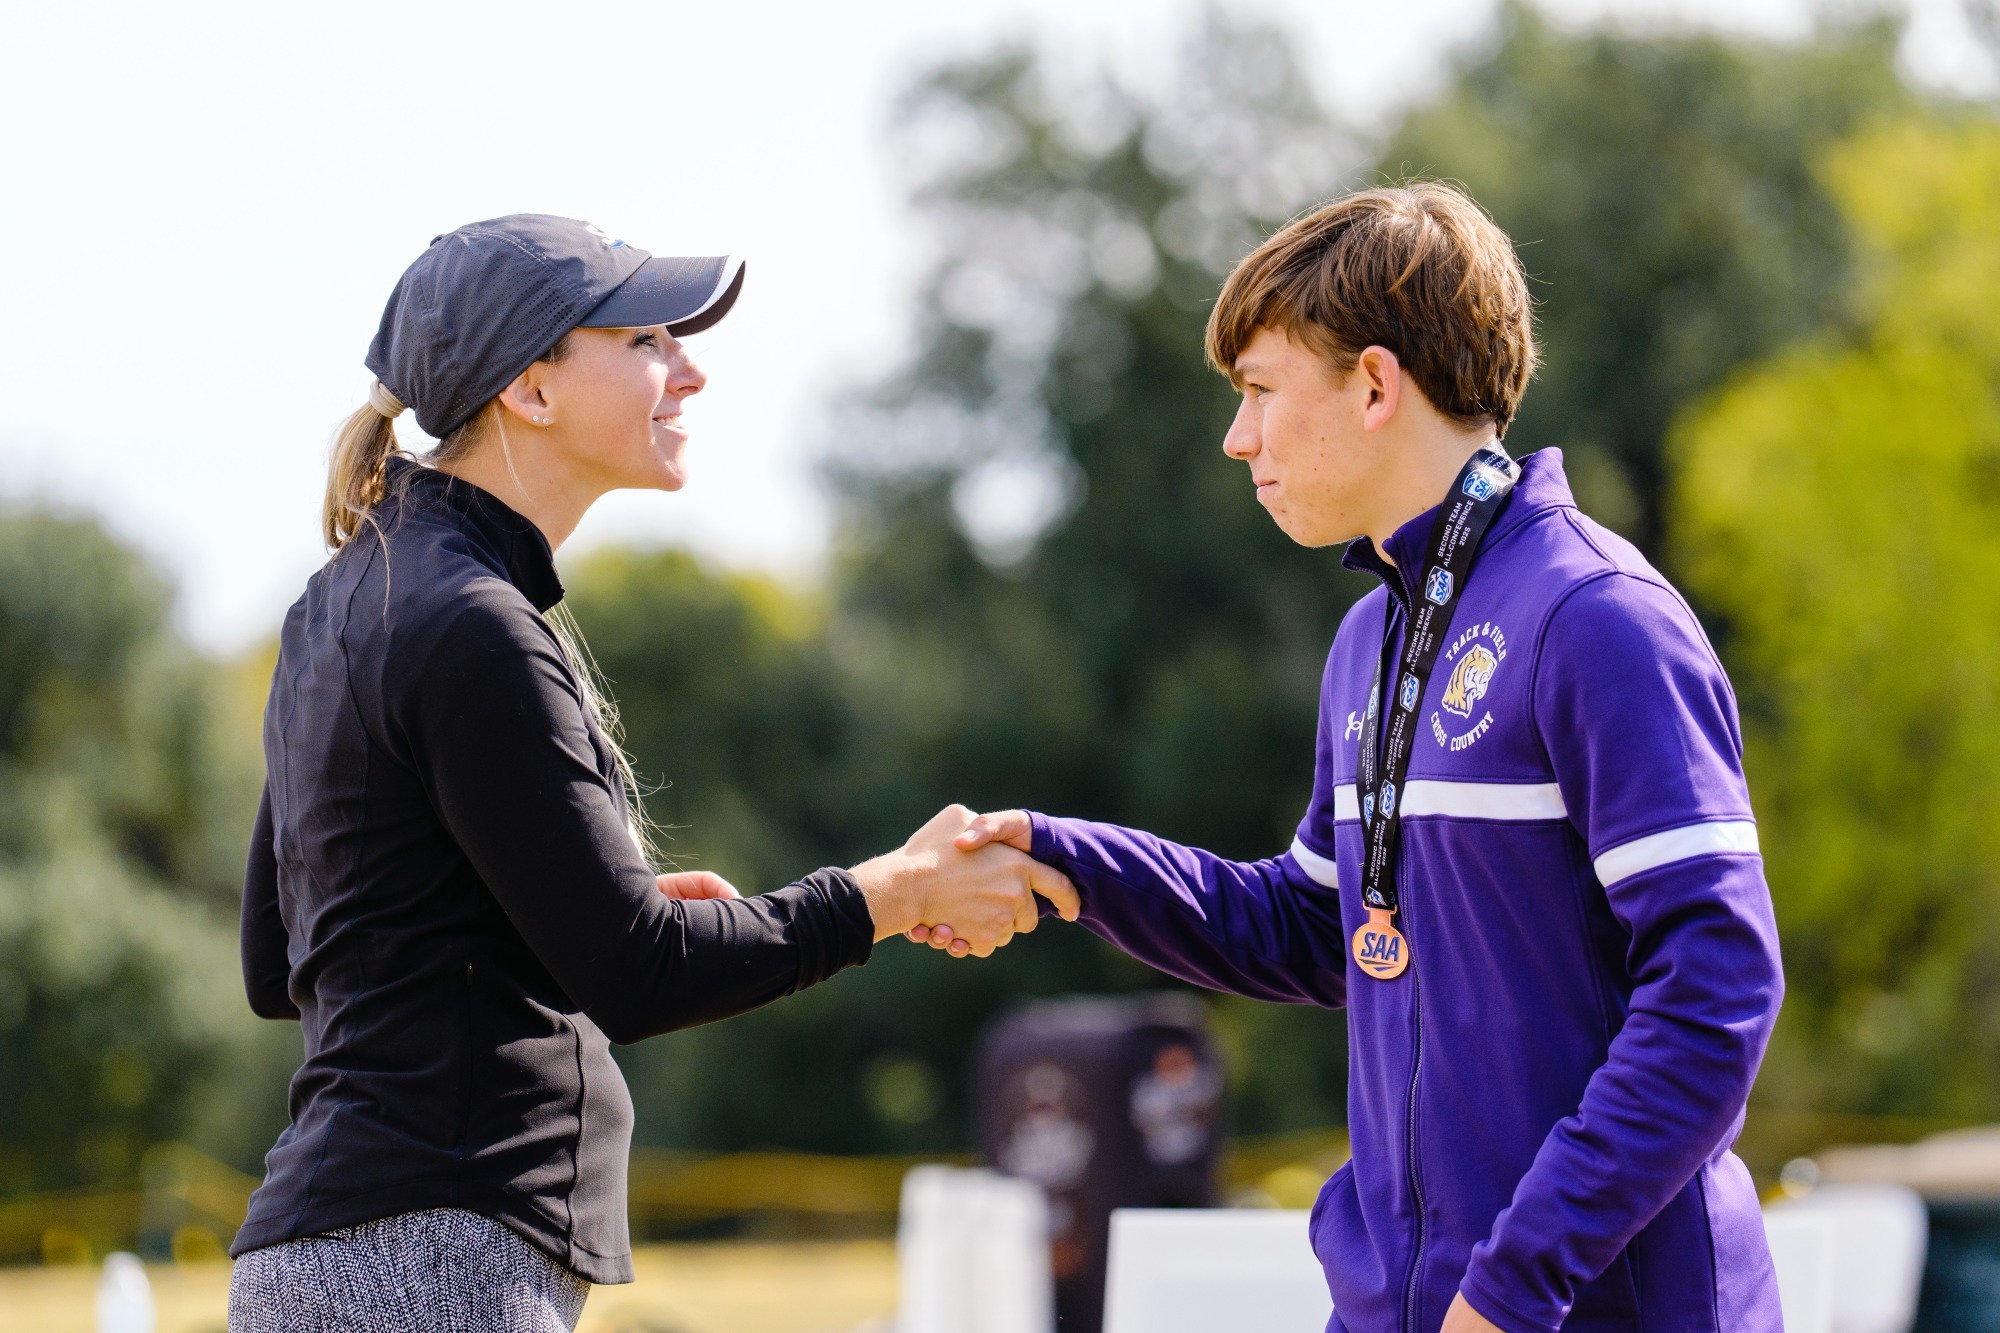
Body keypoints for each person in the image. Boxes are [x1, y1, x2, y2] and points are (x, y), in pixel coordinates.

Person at [932, 184, 1785, 1333]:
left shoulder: (1597, 616)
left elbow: (1715, 993)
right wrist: (1062, 859)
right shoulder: (1368, 640)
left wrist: (1511, 1285)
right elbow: (1312, 923)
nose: (1237, 437)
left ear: (1375, 386)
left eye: (1258, 391)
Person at [229, 214, 1078, 1333]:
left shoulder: (340, 602)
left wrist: (551, 897)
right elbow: (642, 977)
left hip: (340, 1261)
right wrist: (896, 891)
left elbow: (282, 957)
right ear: (531, 388)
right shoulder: (471, 624)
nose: (690, 369)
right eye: (644, 341)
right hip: (426, 1266)